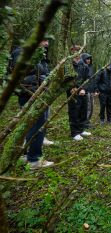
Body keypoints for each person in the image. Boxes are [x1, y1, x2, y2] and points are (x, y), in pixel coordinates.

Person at [16, 40, 54, 169]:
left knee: (32, 126)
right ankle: (34, 159)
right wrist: (41, 81)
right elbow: (19, 76)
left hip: (38, 95)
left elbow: (43, 73)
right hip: (29, 95)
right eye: (43, 40)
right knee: (37, 126)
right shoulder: (22, 53)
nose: (46, 44)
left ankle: (27, 155)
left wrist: (45, 79)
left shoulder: (39, 56)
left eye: (47, 42)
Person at [66, 49, 92, 141]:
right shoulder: (68, 65)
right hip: (73, 93)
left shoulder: (84, 65)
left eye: (78, 52)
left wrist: (84, 89)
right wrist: (71, 88)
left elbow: (88, 78)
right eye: (74, 52)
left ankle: (81, 130)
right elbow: (65, 79)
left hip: (83, 93)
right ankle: (75, 133)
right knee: (74, 112)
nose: (76, 54)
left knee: (83, 111)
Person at [81, 53, 98, 129]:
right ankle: (85, 123)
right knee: (87, 107)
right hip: (85, 90)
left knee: (91, 107)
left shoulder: (91, 67)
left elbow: (93, 79)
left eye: (89, 59)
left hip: (91, 90)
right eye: (87, 59)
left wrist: (95, 89)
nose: (88, 60)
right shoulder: (82, 67)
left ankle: (88, 121)